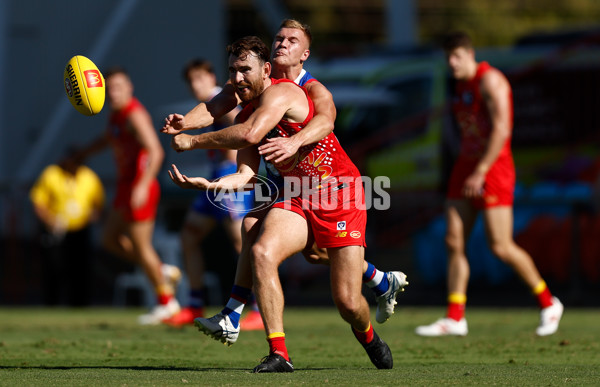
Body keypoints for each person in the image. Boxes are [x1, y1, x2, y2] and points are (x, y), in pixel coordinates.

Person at [163, 19, 407, 341]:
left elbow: (326, 122)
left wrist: (295, 141)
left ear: (304, 54)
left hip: (335, 189)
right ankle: (237, 318)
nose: (282, 42)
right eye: (279, 37)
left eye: (292, 40)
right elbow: (217, 105)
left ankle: (378, 281)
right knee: (258, 231)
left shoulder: (310, 88)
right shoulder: (256, 83)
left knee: (337, 283)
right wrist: (186, 125)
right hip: (293, 187)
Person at [415, 31, 564, 337]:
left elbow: (502, 129)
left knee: (500, 246)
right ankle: (455, 317)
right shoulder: (458, 86)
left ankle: (549, 303)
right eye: (448, 58)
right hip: (466, 167)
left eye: (456, 57)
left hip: (492, 169)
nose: (451, 63)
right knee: (452, 241)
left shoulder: (491, 80)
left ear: (471, 54)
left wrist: (481, 170)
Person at [161, 59, 260, 329]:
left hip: (229, 179)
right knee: (189, 237)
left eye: (199, 79)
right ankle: (194, 304)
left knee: (243, 243)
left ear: (211, 77)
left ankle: (258, 309)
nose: (195, 85)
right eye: (191, 81)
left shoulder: (221, 100)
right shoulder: (205, 108)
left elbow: (241, 126)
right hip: (213, 181)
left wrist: (229, 162)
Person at [79, 67, 181, 325]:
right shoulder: (116, 116)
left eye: (117, 87)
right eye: (108, 88)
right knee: (109, 240)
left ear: (129, 88)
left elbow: (156, 151)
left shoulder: (134, 114)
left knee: (140, 245)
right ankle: (161, 271)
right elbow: (108, 140)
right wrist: (83, 153)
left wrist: (142, 184)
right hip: (126, 186)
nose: (113, 93)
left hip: (139, 185)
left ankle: (167, 303)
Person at [30, 147, 105, 306]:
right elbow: (39, 202)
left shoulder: (88, 177)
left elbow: (98, 205)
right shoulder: (51, 174)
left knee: (80, 268)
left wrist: (93, 217)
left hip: (80, 230)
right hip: (56, 230)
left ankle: (79, 304)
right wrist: (50, 221)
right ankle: (52, 303)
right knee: (54, 267)